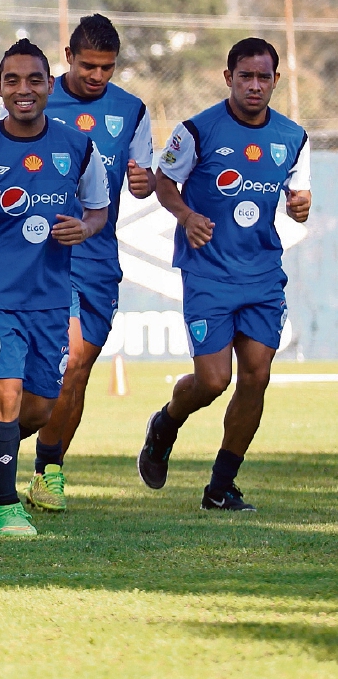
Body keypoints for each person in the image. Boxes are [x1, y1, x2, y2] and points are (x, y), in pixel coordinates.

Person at [0, 39, 108, 537]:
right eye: (13, 81)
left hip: (50, 295)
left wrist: (87, 229)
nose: (24, 90)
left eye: (34, 80)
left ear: (50, 86)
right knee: (6, 397)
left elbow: (97, 208)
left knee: (38, 408)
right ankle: (10, 507)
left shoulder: (79, 146)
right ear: (0, 88)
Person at [138, 37, 310, 512]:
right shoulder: (197, 130)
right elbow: (163, 180)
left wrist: (301, 206)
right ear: (228, 77)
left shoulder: (293, 137)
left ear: (277, 80)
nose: (254, 86)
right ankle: (166, 423)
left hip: (262, 277)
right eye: (245, 76)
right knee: (213, 381)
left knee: (256, 379)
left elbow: (300, 201)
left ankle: (220, 488)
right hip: (208, 274)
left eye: (264, 77)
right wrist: (186, 216)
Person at [24, 14, 154, 513]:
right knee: (69, 359)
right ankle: (14, 456)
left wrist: (143, 182)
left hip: (100, 258)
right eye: (89, 66)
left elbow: (143, 173)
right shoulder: (38, 99)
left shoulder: (132, 111)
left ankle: (47, 469)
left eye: (107, 67)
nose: (98, 76)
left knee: (78, 373)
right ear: (68, 59)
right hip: (45, 256)